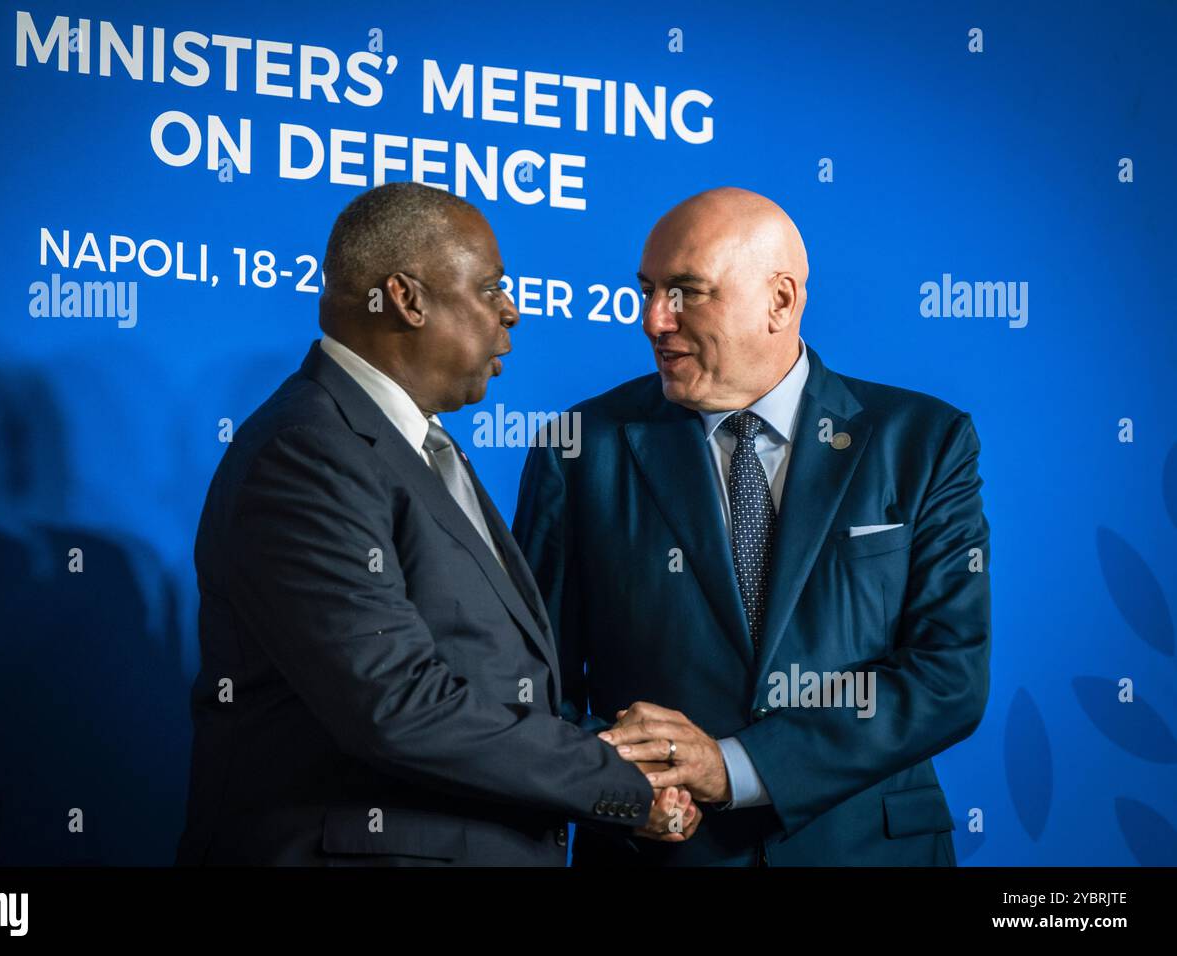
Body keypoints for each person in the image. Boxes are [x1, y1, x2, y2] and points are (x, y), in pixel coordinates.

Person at [176, 182, 694, 866]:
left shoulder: (411, 445)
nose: (511, 313)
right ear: (407, 298)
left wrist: (608, 759)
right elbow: (397, 706)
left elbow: (488, 679)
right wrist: (618, 782)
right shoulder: (305, 453)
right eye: (489, 289)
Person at [514, 187, 991, 866]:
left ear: (781, 301)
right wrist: (624, 789)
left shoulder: (925, 441)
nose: (654, 320)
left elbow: (949, 677)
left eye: (685, 292)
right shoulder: (579, 446)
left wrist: (732, 766)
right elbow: (531, 684)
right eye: (647, 290)